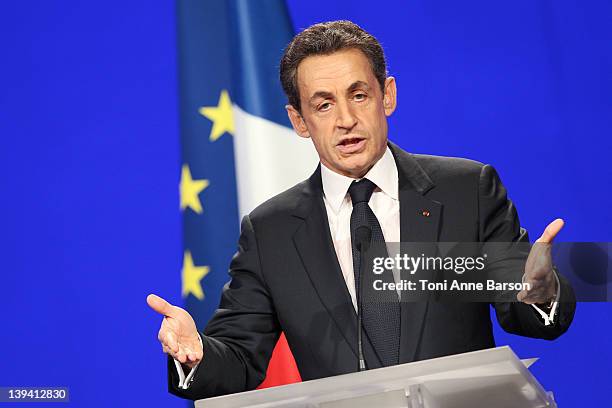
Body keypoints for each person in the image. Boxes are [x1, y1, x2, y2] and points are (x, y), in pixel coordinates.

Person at [147, 20, 575, 400]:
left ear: (386, 96)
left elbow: (528, 314)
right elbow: (240, 357)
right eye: (324, 104)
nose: (346, 119)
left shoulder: (467, 189)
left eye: (358, 95)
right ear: (299, 121)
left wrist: (541, 291)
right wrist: (196, 354)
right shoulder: (270, 231)